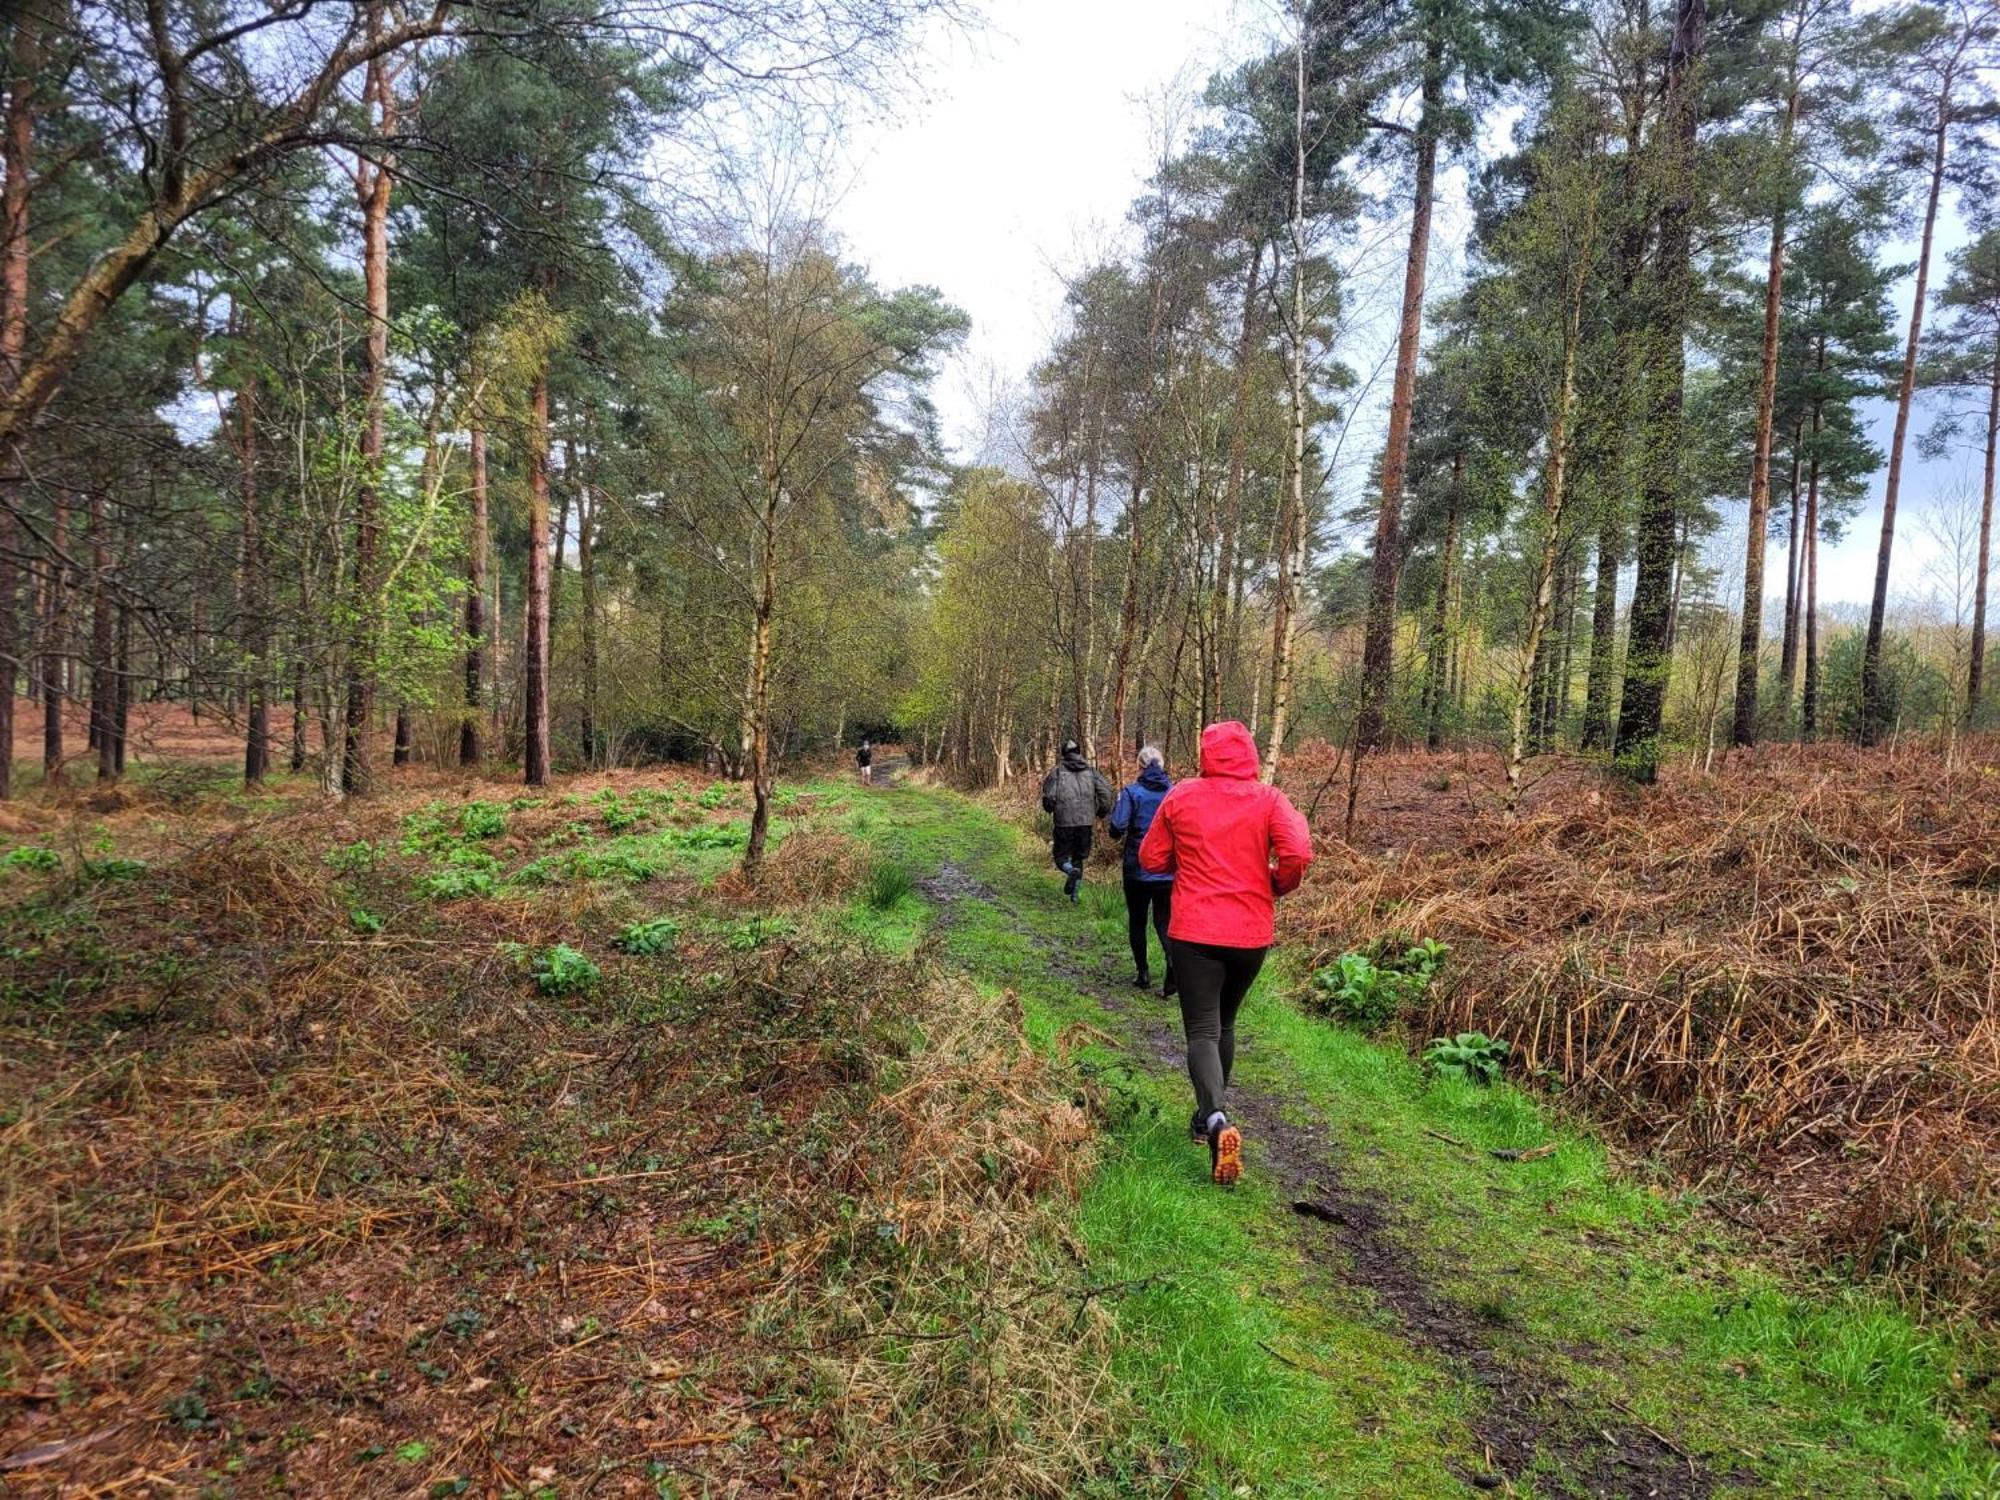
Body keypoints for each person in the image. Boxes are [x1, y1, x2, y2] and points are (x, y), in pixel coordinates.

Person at [1139, 721, 1312, 1186]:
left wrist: (1187, 860)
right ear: (1251, 755)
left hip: (1195, 930)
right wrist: (1276, 884)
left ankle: (1214, 1118)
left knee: (1201, 1030)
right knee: (1226, 1023)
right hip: (1251, 933)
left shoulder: (1183, 796)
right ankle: (1205, 1121)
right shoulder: (1269, 799)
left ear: (1206, 754)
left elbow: (1151, 860)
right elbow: (1297, 851)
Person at [1108, 745, 1175, 994]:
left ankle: (1143, 974)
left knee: (1137, 921)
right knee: (1164, 921)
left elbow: (1117, 827)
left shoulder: (1131, 792)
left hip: (1137, 868)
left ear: (1140, 766)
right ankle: (1172, 969)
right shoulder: (1175, 793)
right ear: (1162, 764)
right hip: (1168, 870)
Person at [1040, 738, 1113, 903]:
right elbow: (1106, 793)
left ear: (1063, 754)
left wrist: (1049, 808)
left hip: (1064, 821)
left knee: (1060, 857)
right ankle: (1074, 897)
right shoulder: (1091, 771)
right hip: (1086, 822)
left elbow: (1049, 796)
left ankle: (1069, 871)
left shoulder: (1057, 772)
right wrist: (1101, 811)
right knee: (1079, 858)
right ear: (1079, 752)